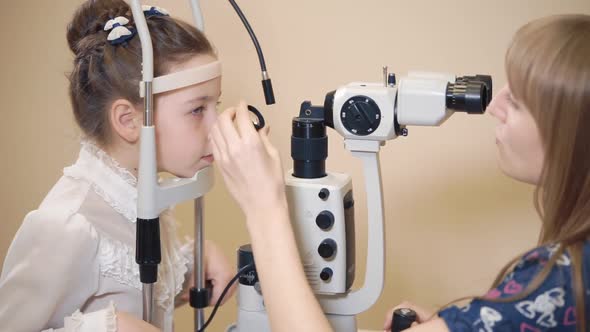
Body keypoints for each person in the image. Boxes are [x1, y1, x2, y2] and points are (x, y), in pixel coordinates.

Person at [210, 14, 590, 332]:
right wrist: (461, 322)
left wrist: (264, 206)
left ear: (572, 134)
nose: (495, 107)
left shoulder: (559, 281)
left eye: (519, 102)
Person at [0, 1, 235, 331]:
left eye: (216, 104)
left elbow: (132, 287)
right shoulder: (66, 225)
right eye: (198, 110)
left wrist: (195, 260)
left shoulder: (138, 199)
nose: (217, 125)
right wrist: (105, 328)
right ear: (129, 121)